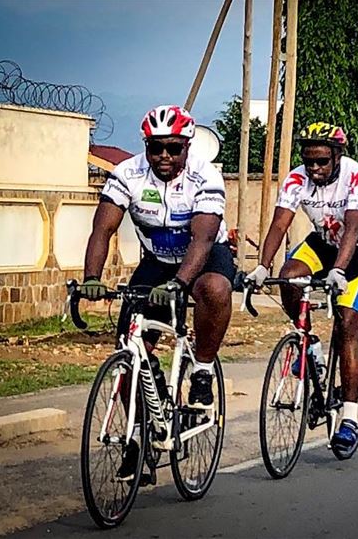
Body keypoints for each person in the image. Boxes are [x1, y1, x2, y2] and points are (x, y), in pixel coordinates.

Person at [82, 105, 236, 478]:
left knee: (213, 288)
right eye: (156, 148)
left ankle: (200, 372)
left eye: (173, 148)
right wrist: (91, 278)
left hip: (205, 256)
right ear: (146, 147)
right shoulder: (128, 173)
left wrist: (180, 284)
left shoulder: (205, 175)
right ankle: (140, 434)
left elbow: (201, 239)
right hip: (157, 261)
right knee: (130, 347)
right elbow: (103, 230)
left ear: (186, 145)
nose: (164, 156)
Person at [246, 122, 358, 451]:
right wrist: (262, 267)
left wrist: (339, 270)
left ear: (337, 156)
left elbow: (353, 228)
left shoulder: (356, 175)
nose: (315, 168)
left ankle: (349, 416)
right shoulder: (297, 178)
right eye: (309, 161)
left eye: (322, 161)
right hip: (323, 242)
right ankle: (310, 345)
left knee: (347, 322)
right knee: (289, 273)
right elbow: (280, 223)